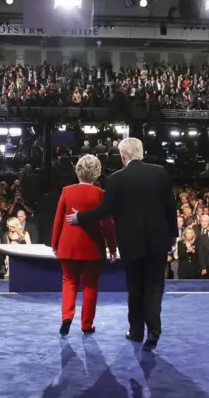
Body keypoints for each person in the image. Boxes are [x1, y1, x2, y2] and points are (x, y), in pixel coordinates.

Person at [66, 138, 178, 350]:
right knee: (154, 286)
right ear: (141, 153)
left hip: (131, 243)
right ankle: (154, 328)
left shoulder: (116, 179)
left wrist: (80, 217)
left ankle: (136, 332)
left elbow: (103, 212)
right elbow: (170, 208)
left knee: (135, 288)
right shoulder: (161, 173)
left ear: (123, 157)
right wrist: (173, 235)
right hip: (158, 241)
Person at [52, 155, 117, 336]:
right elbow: (108, 225)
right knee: (90, 285)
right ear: (97, 174)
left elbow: (58, 219)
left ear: (77, 170)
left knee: (69, 281)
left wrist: (54, 243)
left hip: (69, 245)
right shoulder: (101, 194)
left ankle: (67, 317)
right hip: (93, 247)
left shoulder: (66, 191)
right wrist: (112, 248)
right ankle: (86, 324)